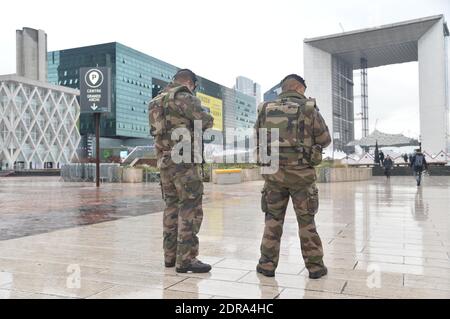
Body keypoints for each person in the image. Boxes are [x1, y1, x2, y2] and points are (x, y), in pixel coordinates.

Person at [255, 74, 331, 279]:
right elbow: (325, 139)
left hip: (273, 176)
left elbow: (258, 139)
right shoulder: (308, 108)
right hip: (301, 176)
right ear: (298, 87)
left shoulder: (264, 108)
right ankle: (315, 267)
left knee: (272, 219)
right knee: (306, 222)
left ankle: (267, 265)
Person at [149, 69, 214, 273]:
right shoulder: (186, 97)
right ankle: (186, 259)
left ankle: (170, 257)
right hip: (184, 161)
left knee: (171, 207)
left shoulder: (155, 102)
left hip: (164, 161)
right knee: (190, 208)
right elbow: (206, 121)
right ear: (190, 83)